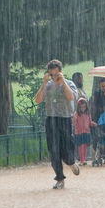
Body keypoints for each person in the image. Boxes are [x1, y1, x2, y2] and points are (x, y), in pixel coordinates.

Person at [34, 59, 80, 189]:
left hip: (65, 119)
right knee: (54, 151)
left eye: (56, 74)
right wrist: (43, 83)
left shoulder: (69, 84)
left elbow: (71, 97)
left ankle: (71, 162)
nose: (54, 77)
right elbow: (38, 100)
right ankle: (60, 178)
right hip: (51, 120)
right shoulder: (47, 85)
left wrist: (63, 82)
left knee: (67, 148)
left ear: (61, 72)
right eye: (51, 74)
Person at [72, 98, 96, 165]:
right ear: (78, 107)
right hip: (79, 132)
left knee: (85, 146)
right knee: (81, 146)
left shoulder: (88, 114)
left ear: (86, 106)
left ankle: (84, 159)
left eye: (84, 107)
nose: (83, 108)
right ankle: (82, 160)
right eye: (81, 107)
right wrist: (74, 119)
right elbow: (74, 122)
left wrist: (94, 123)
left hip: (86, 131)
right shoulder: (76, 114)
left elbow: (90, 122)